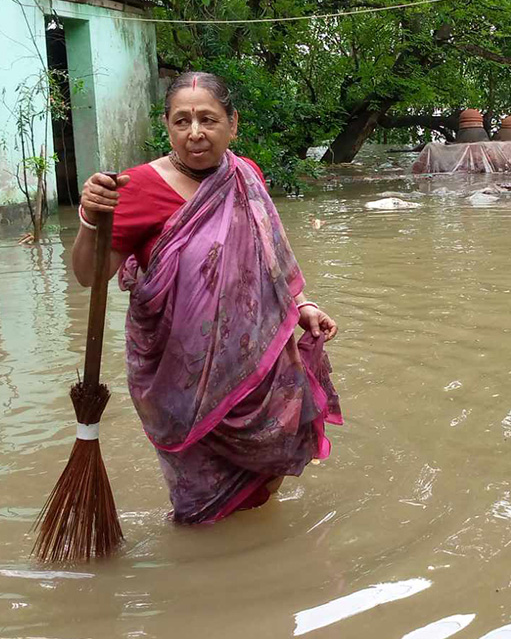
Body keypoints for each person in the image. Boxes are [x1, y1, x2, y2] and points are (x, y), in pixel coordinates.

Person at [71, 71, 342, 524]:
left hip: (255, 367)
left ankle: (259, 575)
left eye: (208, 119)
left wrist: (303, 306)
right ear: (168, 127)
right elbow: (88, 276)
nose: (195, 133)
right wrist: (88, 219)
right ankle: (205, 572)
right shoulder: (135, 188)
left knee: (265, 475)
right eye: (182, 121)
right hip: (180, 377)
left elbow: (266, 261)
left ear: (231, 124)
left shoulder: (247, 176)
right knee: (201, 510)